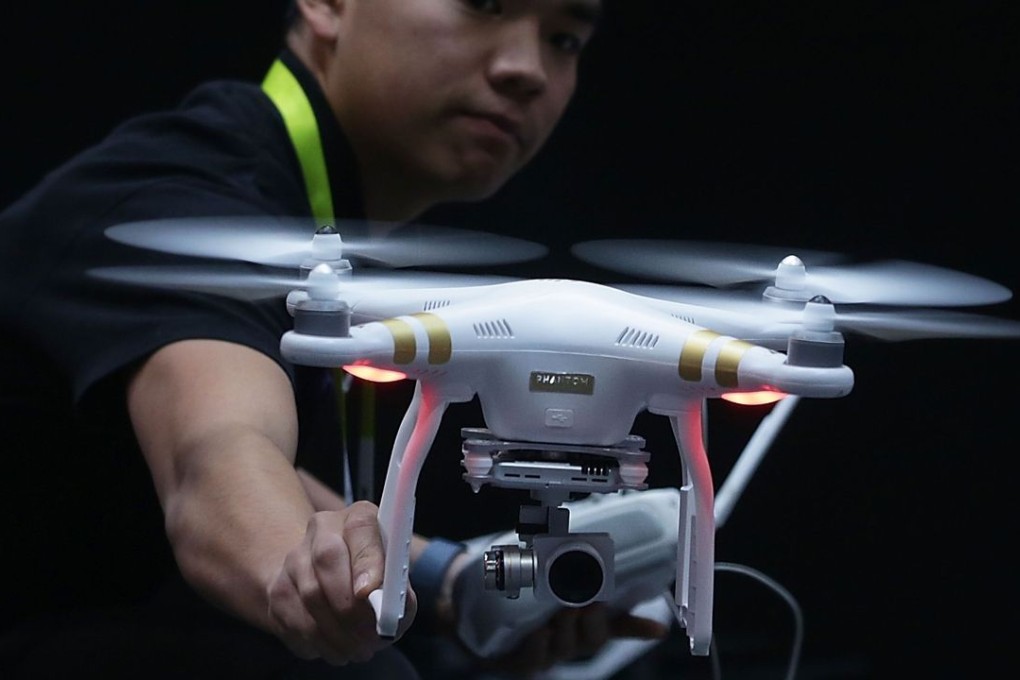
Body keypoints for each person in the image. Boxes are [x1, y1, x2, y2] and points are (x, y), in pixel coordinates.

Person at [0, 1, 668, 677]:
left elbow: (274, 470)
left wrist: (450, 584)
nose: (528, 68)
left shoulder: (318, 224)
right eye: (482, 6)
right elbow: (218, 453)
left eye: (564, 38)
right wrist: (310, 575)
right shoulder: (177, 195)